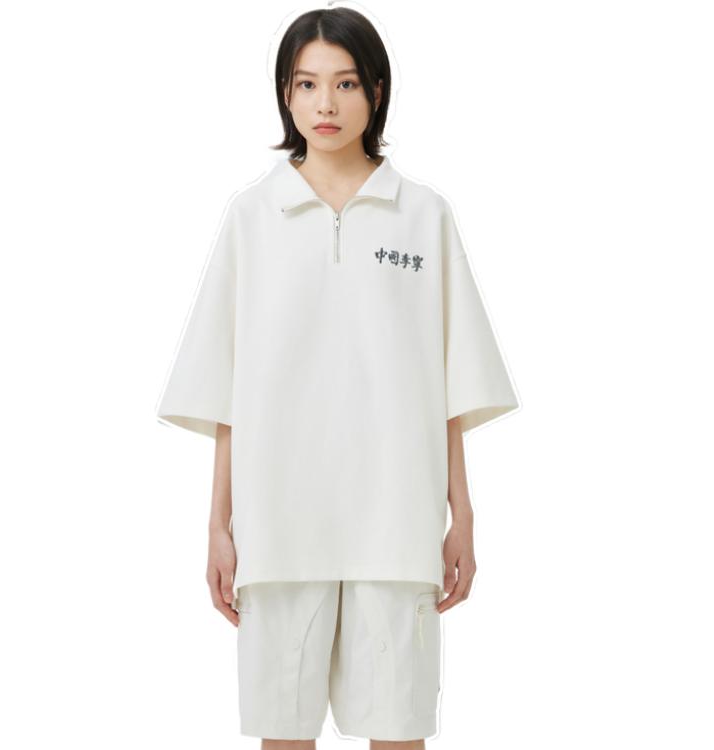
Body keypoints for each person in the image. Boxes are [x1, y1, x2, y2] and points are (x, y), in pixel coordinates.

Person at [155, 6, 520, 749]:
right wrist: (219, 525)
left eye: (346, 83)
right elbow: (224, 390)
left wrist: (463, 514)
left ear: (377, 91)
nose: (326, 103)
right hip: (279, 525)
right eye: (307, 83)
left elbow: (451, 383)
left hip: (397, 523)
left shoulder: (423, 216)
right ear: (285, 96)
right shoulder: (253, 217)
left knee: (399, 733)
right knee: (283, 736)